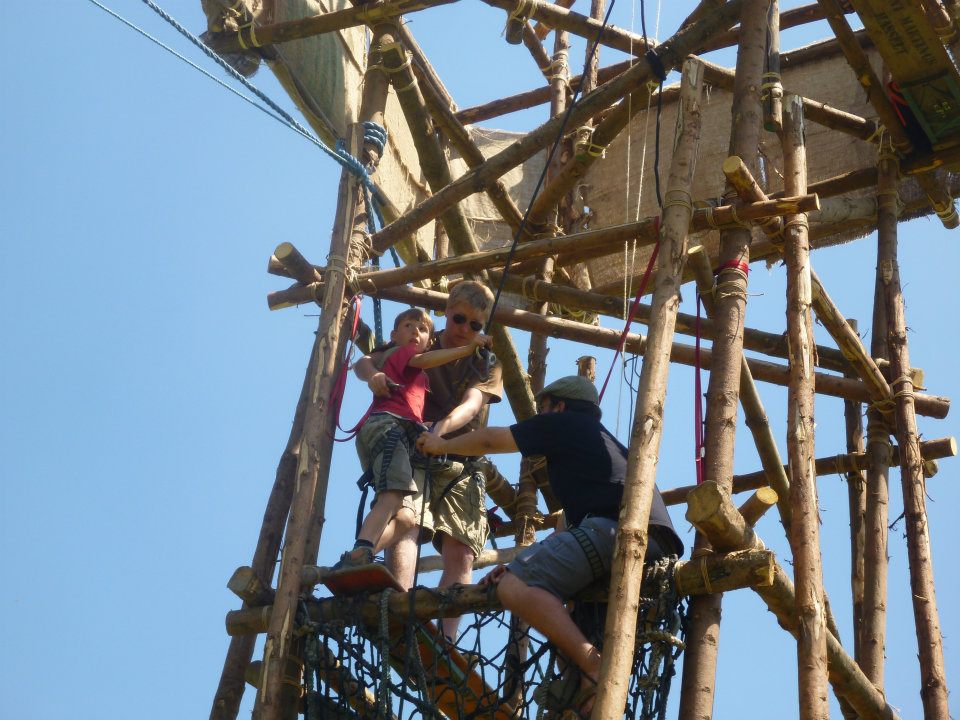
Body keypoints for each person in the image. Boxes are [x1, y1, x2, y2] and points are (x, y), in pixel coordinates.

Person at [416, 375, 683, 715]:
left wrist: (440, 444)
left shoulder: (566, 424)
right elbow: (562, 535)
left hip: (620, 531)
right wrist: (519, 562)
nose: (539, 417)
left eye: (542, 409)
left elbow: (491, 440)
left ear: (558, 406)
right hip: (644, 540)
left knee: (516, 588)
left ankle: (594, 665)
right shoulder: (591, 452)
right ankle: (588, 688)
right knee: (564, 621)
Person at [353, 281, 503, 640]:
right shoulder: (422, 339)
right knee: (406, 520)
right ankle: (401, 606)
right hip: (416, 446)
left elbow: (472, 404)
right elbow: (368, 360)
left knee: (461, 548)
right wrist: (373, 376)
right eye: (459, 319)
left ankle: (446, 638)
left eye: (475, 325)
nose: (465, 329)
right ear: (447, 312)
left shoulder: (486, 360)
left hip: (460, 458)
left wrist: (441, 431)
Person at [335, 308, 492, 569]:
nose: (415, 332)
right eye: (409, 326)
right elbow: (423, 361)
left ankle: (361, 555)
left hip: (398, 429)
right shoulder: (402, 354)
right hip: (388, 427)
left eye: (422, 329)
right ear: (395, 335)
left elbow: (369, 366)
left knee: (407, 518)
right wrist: (467, 350)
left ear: (430, 340)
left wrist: (428, 427)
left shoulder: (414, 376)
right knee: (394, 494)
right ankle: (361, 549)